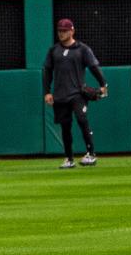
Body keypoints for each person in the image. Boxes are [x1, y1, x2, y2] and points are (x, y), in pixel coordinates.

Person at [43, 18, 106, 169]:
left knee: (82, 120)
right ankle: (69, 158)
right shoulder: (54, 51)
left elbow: (93, 67)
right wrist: (47, 92)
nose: (61, 33)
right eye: (59, 30)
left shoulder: (82, 49)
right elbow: (47, 72)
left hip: (78, 93)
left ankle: (91, 154)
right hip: (60, 95)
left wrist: (103, 84)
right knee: (65, 127)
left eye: (64, 30)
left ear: (72, 31)